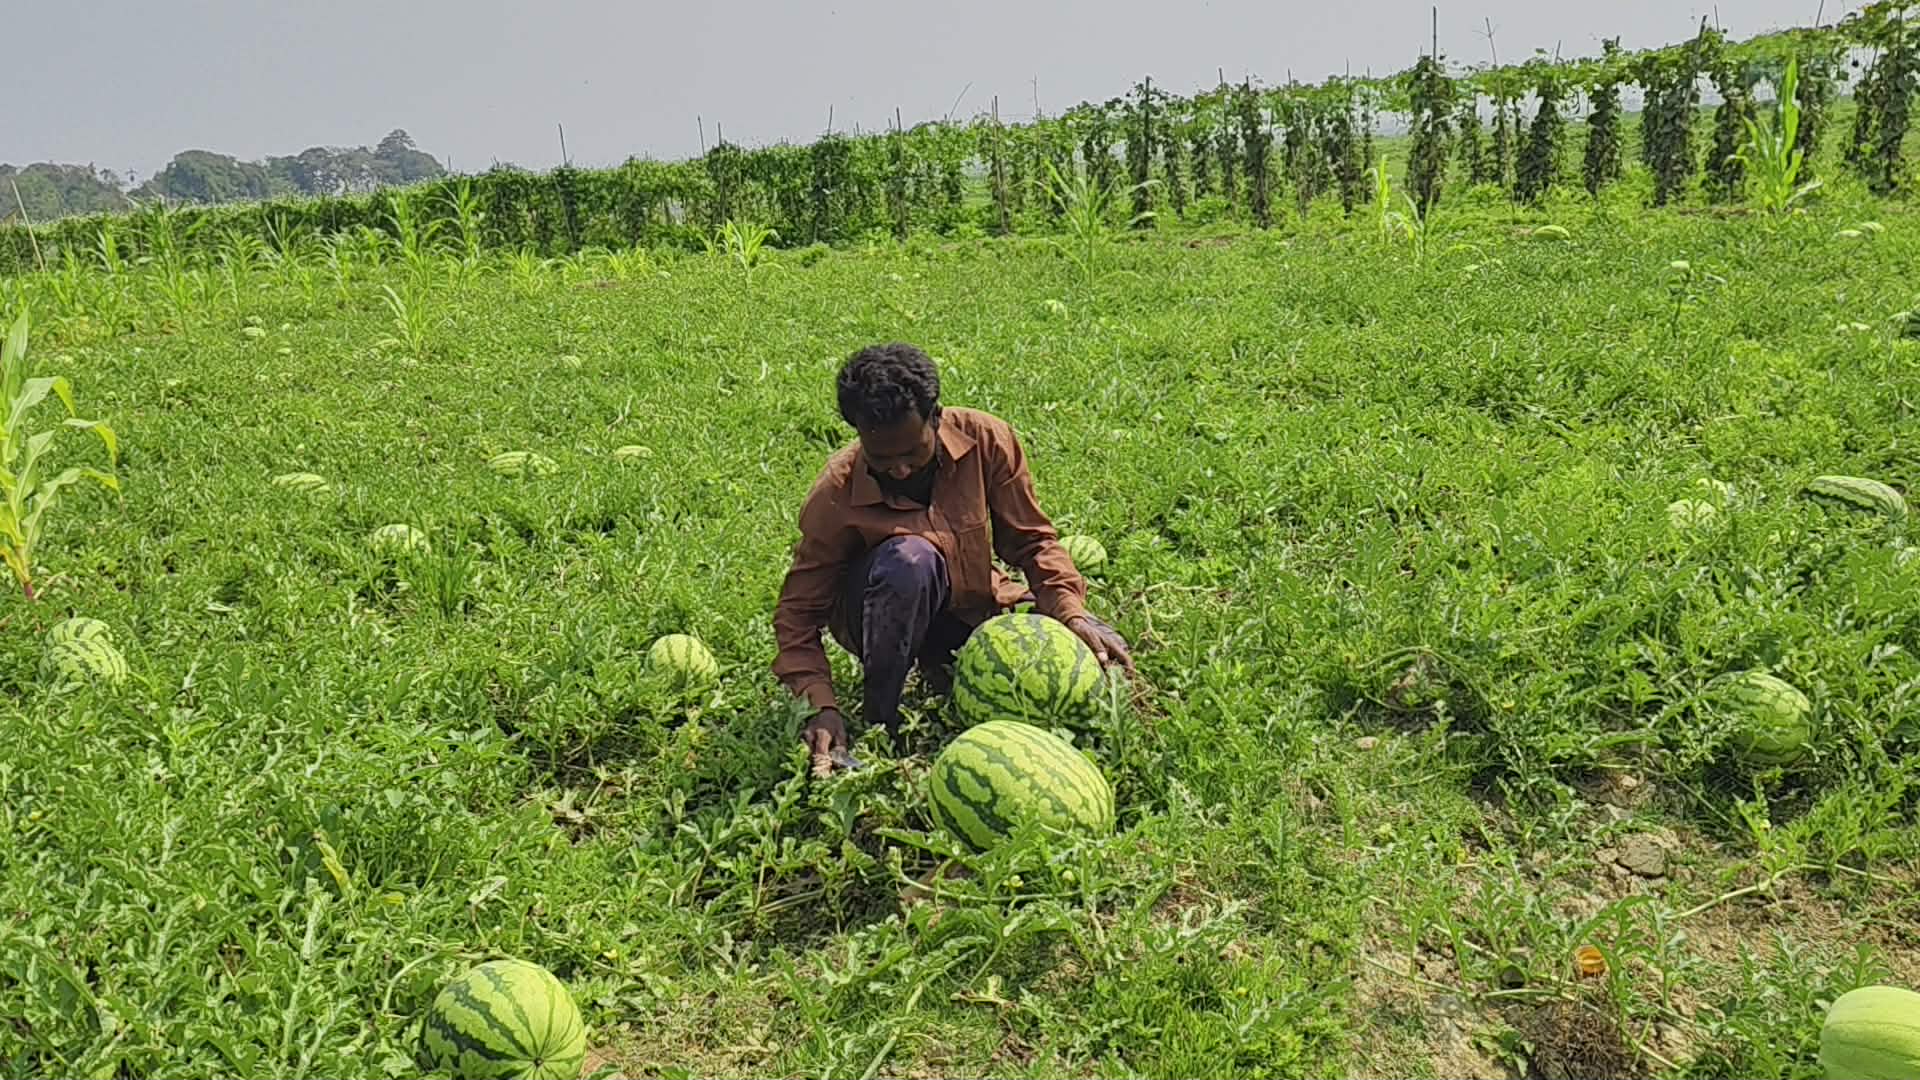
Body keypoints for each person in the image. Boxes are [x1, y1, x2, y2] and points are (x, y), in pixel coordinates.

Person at [772, 342, 1134, 769]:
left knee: (1068, 652)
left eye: (912, 452)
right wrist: (820, 706)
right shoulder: (836, 491)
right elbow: (798, 614)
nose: (901, 469)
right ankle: (881, 721)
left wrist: (1070, 612)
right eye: (882, 459)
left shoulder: (987, 441)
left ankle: (946, 669)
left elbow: (1032, 541)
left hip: (971, 604)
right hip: (878, 615)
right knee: (910, 561)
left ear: (936, 417)